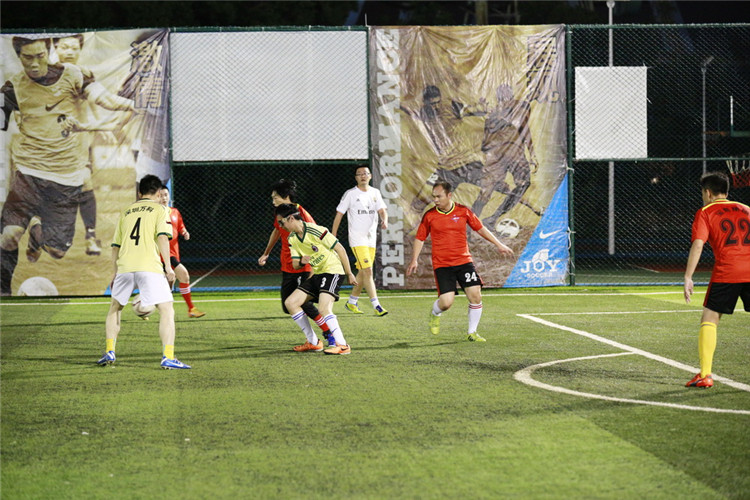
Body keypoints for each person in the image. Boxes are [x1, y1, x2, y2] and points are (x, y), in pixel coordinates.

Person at [0, 37, 134, 295]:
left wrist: (127, 104)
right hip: (28, 173)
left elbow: (104, 99)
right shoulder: (12, 88)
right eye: (28, 57)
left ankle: (37, 229)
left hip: (66, 177)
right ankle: (3, 292)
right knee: (8, 236)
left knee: (57, 250)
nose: (35, 63)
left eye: (40, 55)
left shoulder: (73, 76)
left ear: (48, 51)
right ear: (19, 57)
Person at [97, 174, 190, 369]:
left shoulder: (126, 211)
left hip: (125, 267)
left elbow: (115, 246)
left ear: (139, 193)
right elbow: (163, 238)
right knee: (166, 309)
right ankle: (168, 356)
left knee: (115, 308)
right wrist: (168, 267)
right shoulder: (160, 210)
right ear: (158, 193)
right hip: (149, 267)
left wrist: (114, 272)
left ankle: (110, 351)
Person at [406, 180, 514, 342]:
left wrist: (499, 244)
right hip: (442, 265)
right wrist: (414, 260)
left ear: (449, 195)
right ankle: (435, 313)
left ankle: (472, 332)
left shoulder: (463, 211)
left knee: (475, 295)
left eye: (439, 196)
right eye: (434, 196)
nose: (435, 200)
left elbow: (480, 228)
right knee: (446, 303)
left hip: (464, 261)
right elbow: (420, 238)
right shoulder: (430, 215)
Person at [683, 171, 750, 388]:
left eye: (703, 193)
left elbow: (698, 244)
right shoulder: (747, 209)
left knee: (710, 318)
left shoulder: (705, 212)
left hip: (728, 271)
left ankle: (705, 375)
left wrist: (688, 276)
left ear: (708, 193)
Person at [274, 203, 357, 355]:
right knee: (291, 303)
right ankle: (313, 342)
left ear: (291, 218)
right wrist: (302, 262)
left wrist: (349, 273)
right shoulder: (292, 238)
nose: (280, 226)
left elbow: (340, 249)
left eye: (281, 222)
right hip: (318, 274)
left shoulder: (316, 230)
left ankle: (343, 345)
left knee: (324, 308)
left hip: (332, 271)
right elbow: (295, 264)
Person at [258, 180, 333, 346]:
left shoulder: (301, 214)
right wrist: (266, 253)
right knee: (288, 306)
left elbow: (316, 240)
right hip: (288, 265)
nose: (273, 201)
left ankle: (324, 335)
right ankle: (317, 338)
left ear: (286, 196)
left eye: (275, 197)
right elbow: (277, 231)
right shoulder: (281, 213)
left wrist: (313, 267)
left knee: (302, 303)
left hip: (302, 266)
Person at [399, 85, 484, 215]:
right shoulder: (422, 113)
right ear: (425, 102)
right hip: (446, 168)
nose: (436, 107)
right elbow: (405, 107)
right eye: (432, 104)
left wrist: (481, 108)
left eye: (438, 102)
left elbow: (472, 109)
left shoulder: (451, 107)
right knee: (419, 203)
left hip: (466, 162)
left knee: (495, 185)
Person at [472, 84, 540, 228]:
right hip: (499, 157)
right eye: (503, 98)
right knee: (486, 191)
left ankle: (492, 219)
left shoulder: (517, 111)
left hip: (513, 155)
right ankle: (471, 223)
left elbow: (525, 131)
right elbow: (486, 143)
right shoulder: (493, 115)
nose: (506, 101)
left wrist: (532, 154)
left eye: (508, 97)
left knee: (523, 183)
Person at [331, 165, 389, 316]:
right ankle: (376, 305)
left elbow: (382, 210)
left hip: (371, 239)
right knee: (368, 270)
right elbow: (339, 214)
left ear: (370, 176)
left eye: (365, 173)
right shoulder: (350, 194)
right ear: (356, 178)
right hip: (357, 239)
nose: (363, 176)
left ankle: (352, 301)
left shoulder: (375, 192)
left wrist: (385, 220)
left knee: (363, 272)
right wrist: (333, 235)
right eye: (359, 174)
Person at [158, 186, 205, 318]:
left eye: (166, 195)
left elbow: (180, 227)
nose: (164, 198)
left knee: (168, 284)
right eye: (161, 195)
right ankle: (191, 308)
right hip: (162, 254)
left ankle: (146, 307)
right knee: (184, 275)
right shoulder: (155, 214)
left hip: (174, 253)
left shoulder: (175, 212)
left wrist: (184, 232)